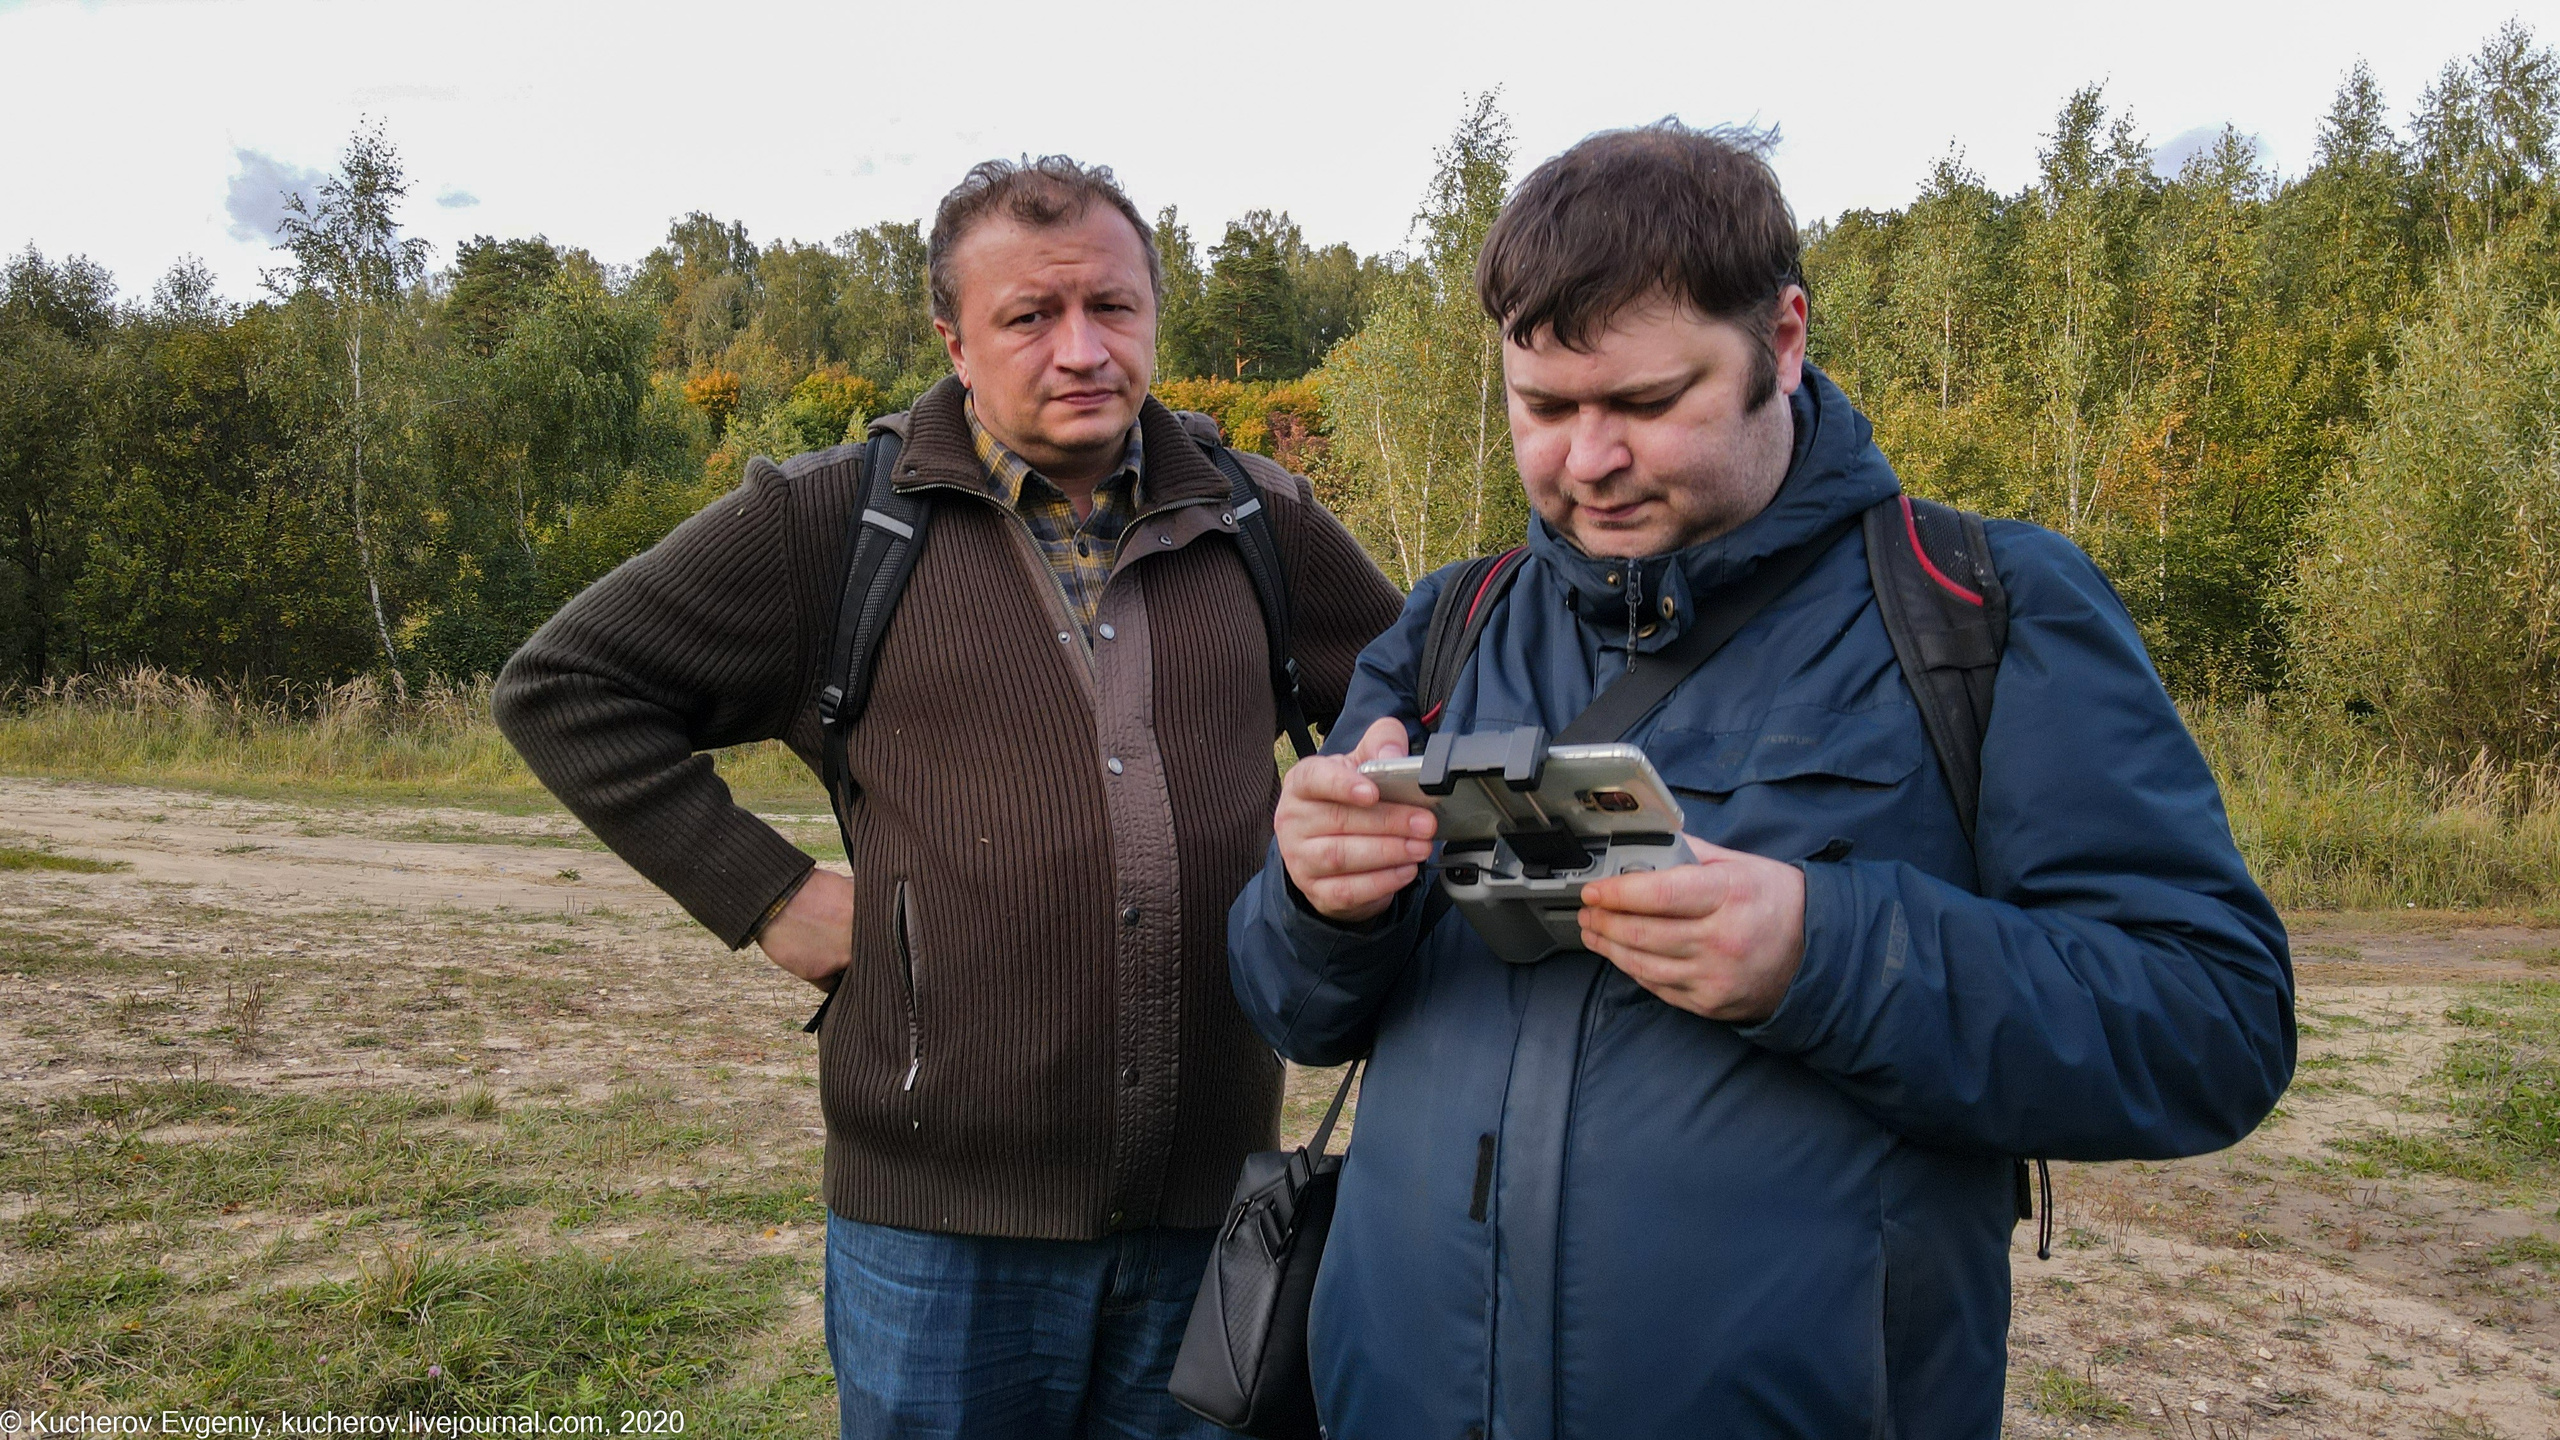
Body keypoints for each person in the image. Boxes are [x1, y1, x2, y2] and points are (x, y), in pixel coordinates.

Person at [1229, 122, 2294, 1439]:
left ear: (1782, 341)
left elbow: (2215, 1021)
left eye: (1648, 403)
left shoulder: (1979, 609)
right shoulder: (1454, 625)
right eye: (1544, 408)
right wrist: (1318, 901)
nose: (1587, 461)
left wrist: (1826, 956)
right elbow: (1292, 1005)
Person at [493, 156, 1403, 1439]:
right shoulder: (833, 522)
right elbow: (567, 685)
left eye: (1115, 310)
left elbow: (1427, 706)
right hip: (937, 1235)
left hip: (1214, 1215)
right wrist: (769, 894)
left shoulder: (1257, 517)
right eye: (1031, 317)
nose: (1082, 350)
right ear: (953, 340)